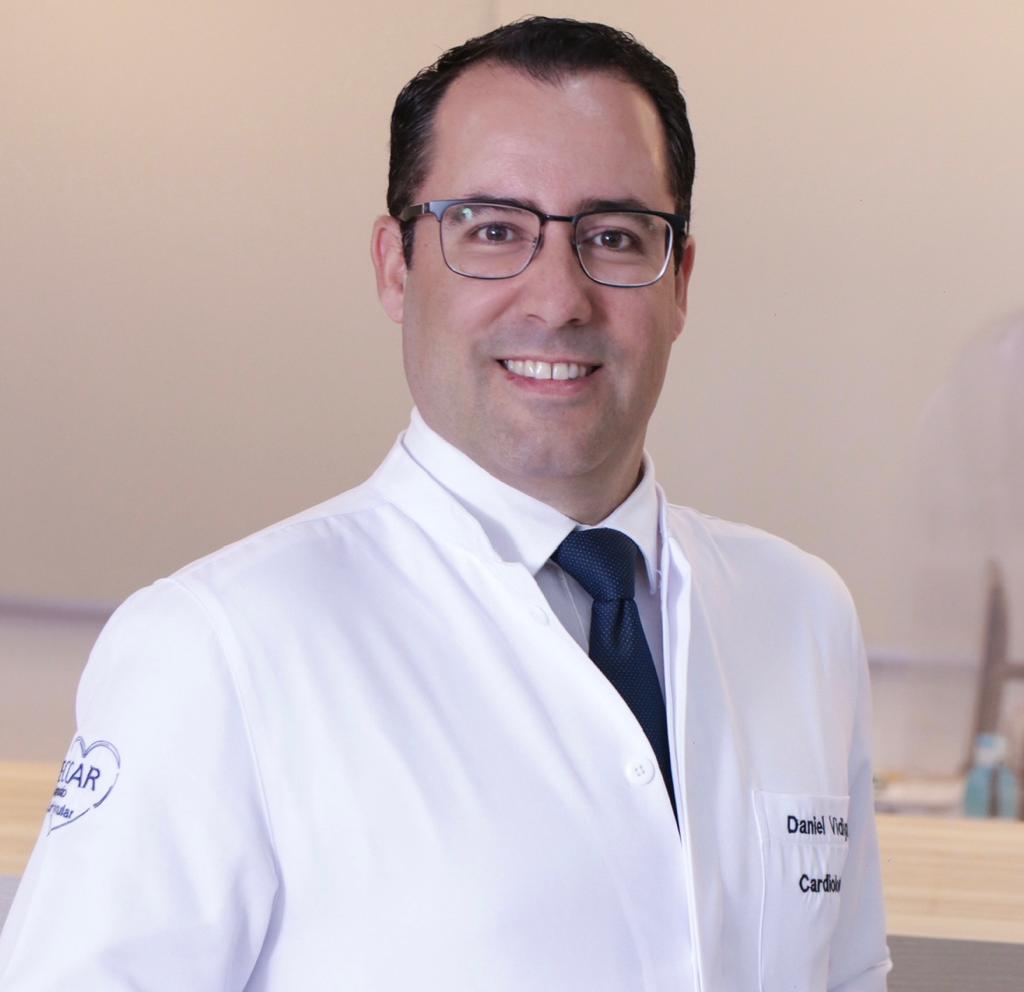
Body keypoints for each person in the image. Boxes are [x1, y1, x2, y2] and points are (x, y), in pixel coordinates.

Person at [0, 16, 891, 991]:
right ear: (395, 266)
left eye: (613, 236)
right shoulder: (216, 646)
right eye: (493, 230)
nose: (557, 299)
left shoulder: (802, 615)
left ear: (679, 280)